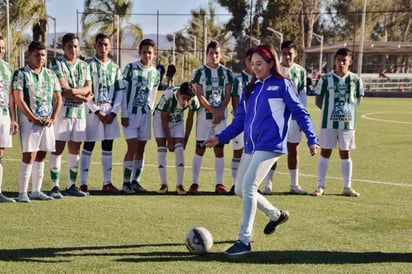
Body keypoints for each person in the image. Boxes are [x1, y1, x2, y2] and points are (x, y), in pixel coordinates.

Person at [203, 44, 319, 255]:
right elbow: (240, 120)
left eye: (259, 64)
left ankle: (244, 241)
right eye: (252, 64)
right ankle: (276, 215)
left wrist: (312, 138)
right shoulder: (251, 88)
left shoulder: (283, 84)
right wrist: (221, 138)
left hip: (271, 145)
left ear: (271, 63)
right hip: (251, 146)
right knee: (239, 189)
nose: (255, 68)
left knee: (248, 188)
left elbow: (301, 113)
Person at [13, 41, 62, 202]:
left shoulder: (50, 74)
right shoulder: (21, 74)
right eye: (37, 55)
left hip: (47, 121)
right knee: (29, 155)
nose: (41, 58)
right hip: (29, 122)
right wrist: (33, 118)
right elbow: (18, 99)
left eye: (43, 55)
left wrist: (53, 117)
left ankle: (36, 190)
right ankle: (22, 192)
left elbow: (58, 98)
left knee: (42, 154)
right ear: (29, 55)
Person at [312, 47, 364, 197]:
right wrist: (331, 112)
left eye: (344, 61)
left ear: (350, 62)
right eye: (339, 60)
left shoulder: (356, 80)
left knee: (345, 153)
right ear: (335, 61)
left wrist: (347, 113)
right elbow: (318, 100)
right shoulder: (325, 79)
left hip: (348, 124)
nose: (341, 63)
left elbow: (358, 100)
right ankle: (320, 186)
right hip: (328, 123)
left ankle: (347, 187)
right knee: (325, 151)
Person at [48, 33, 93, 198]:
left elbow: (88, 87)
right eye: (69, 46)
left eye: (76, 46)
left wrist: (74, 92)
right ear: (63, 48)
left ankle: (71, 185)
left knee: (75, 149)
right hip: (62, 113)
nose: (73, 49)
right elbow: (63, 89)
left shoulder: (84, 65)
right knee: (58, 147)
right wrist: (79, 94)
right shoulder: (57, 63)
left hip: (79, 114)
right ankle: (54, 186)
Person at [263, 41, 309, 195]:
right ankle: (268, 184)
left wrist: (303, 117)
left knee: (293, 149)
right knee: (273, 150)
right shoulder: (275, 70)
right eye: (284, 53)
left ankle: (294, 184)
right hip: (277, 118)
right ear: (280, 54)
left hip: (294, 118)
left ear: (295, 54)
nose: (287, 56)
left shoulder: (301, 72)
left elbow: (302, 95)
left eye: (290, 53)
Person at [79, 33, 123, 194]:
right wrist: (97, 111)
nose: (103, 48)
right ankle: (83, 183)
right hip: (93, 112)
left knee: (108, 147)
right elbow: (85, 91)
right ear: (95, 46)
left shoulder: (115, 68)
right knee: (88, 145)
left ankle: (107, 183)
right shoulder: (88, 65)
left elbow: (120, 92)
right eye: (100, 44)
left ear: (110, 47)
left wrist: (113, 113)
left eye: (106, 45)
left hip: (109, 112)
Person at [188, 40, 233, 194]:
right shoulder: (199, 72)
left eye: (217, 53)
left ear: (221, 55)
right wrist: (214, 111)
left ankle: (219, 184)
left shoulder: (227, 73)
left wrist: (220, 111)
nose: (214, 56)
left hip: (221, 116)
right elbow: (199, 94)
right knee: (200, 148)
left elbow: (227, 94)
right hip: (204, 117)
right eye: (211, 53)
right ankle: (194, 183)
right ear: (207, 54)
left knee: (219, 148)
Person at [121, 38, 160, 194]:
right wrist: (124, 112)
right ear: (139, 53)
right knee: (132, 147)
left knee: (141, 149)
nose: (147, 55)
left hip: (145, 115)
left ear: (154, 54)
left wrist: (149, 112)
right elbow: (123, 92)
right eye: (144, 52)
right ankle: (125, 183)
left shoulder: (155, 73)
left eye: (150, 52)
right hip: (130, 114)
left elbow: (153, 95)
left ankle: (136, 181)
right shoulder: (130, 69)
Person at [153, 82, 199, 195]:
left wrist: (186, 139)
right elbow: (163, 120)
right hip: (160, 120)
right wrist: (169, 140)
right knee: (162, 149)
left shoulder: (194, 100)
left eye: (188, 100)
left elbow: (189, 120)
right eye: (184, 98)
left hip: (177, 121)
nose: (186, 102)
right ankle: (163, 184)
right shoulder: (168, 96)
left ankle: (179, 185)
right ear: (178, 93)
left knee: (179, 149)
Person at [229, 48, 254, 195]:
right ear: (246, 61)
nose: (253, 64)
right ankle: (235, 184)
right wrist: (241, 117)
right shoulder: (239, 79)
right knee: (237, 152)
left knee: (253, 152)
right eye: (250, 60)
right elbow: (235, 100)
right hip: (240, 121)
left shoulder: (260, 79)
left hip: (255, 122)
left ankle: (250, 184)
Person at [0, 35, 19, 203]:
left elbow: (11, 96)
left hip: (4, 114)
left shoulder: (8, 68)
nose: (1, 50)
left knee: (0, 152)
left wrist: (13, 118)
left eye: (3, 48)